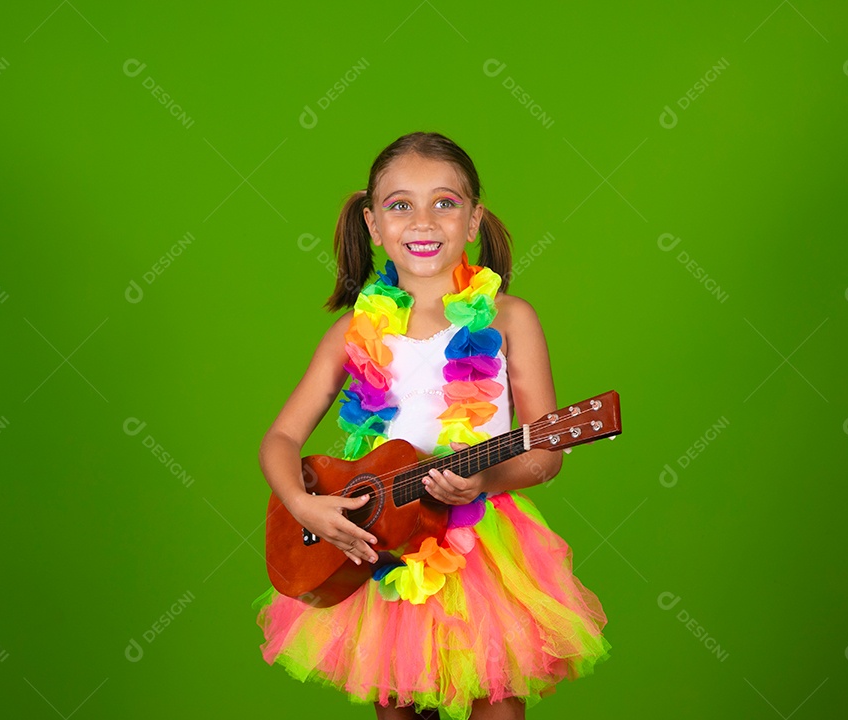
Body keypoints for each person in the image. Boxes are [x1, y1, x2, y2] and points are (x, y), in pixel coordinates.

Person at [253, 131, 609, 720]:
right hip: (380, 545)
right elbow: (280, 439)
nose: (423, 221)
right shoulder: (352, 333)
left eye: (445, 202)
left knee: (495, 701)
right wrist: (301, 502)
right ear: (372, 224)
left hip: (480, 549)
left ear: (473, 221)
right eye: (400, 205)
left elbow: (546, 453)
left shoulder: (509, 319)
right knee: (398, 705)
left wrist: (487, 481)